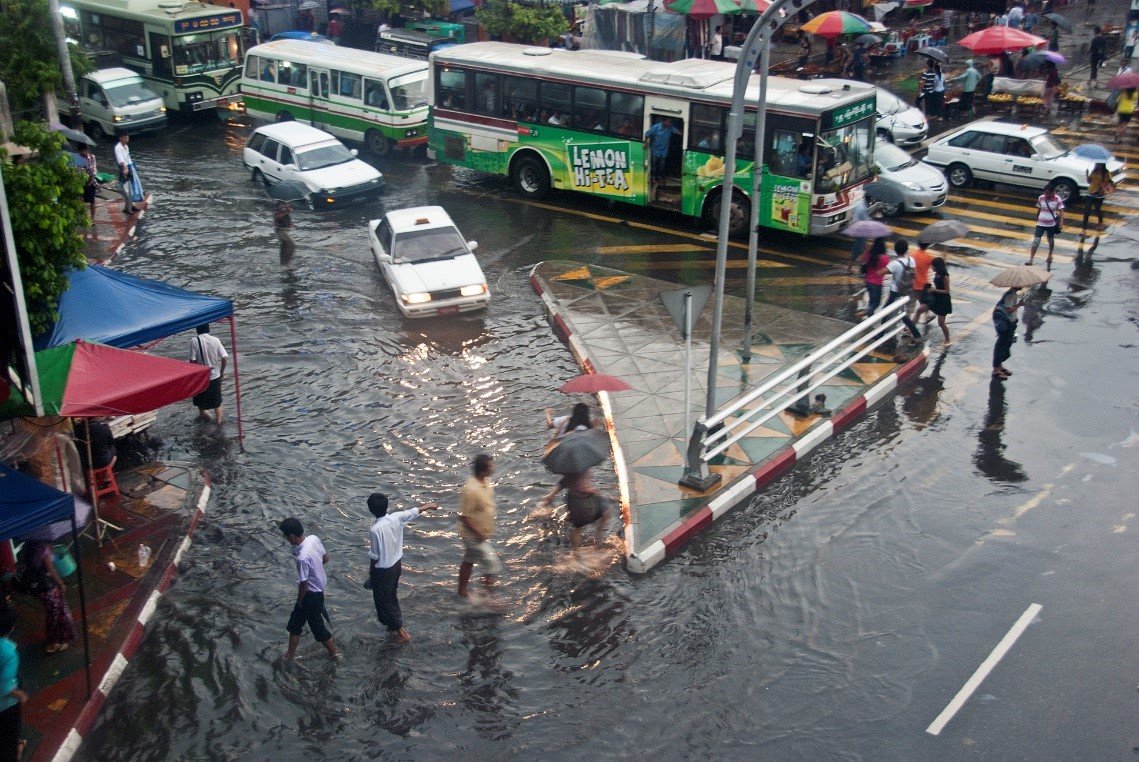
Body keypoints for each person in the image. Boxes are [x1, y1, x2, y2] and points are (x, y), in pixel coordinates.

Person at [365, 493, 439, 643]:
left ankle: (401, 632)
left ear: (370, 510)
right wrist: (429, 506)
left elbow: (375, 556)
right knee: (392, 595)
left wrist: (372, 574)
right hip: (396, 566)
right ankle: (394, 626)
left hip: (383, 570)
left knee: (384, 601)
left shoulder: (375, 530)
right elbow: (414, 511)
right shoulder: (396, 517)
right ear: (386, 506)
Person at [280, 517, 340, 660]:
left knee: (318, 629)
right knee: (295, 624)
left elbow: (303, 584)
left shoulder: (302, 558)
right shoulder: (314, 539)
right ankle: (290, 655)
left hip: (310, 596)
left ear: (292, 536)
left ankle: (335, 654)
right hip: (317, 592)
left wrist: (299, 601)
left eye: (286, 536)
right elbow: (325, 559)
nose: (286, 539)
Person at [457, 454, 501, 600]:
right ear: (482, 471)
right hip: (473, 536)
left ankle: (462, 591)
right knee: (492, 564)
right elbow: (464, 516)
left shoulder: (486, 481)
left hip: (481, 534)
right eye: (490, 466)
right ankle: (486, 598)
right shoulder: (470, 489)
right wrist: (479, 533)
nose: (493, 468)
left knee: (469, 559)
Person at [20, 540, 76, 654]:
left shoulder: (27, 547)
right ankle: (54, 644)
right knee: (56, 615)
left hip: (37, 588)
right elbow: (52, 570)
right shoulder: (44, 550)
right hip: (48, 588)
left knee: (51, 614)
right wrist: (61, 583)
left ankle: (54, 641)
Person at [541, 461, 611, 552]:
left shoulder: (570, 471)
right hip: (581, 503)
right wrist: (592, 490)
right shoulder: (580, 470)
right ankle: (592, 541)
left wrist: (551, 495)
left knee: (580, 525)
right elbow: (582, 487)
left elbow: (562, 484)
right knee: (581, 525)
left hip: (574, 501)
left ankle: (581, 549)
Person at [0, 604, 27, 762]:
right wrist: (19, 693)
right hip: (6, 705)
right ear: (10, 628)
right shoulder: (9, 653)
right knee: (9, 734)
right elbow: (4, 685)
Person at [189, 324, 229, 424]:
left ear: (197, 330)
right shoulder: (216, 340)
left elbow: (192, 360)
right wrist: (221, 372)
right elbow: (224, 357)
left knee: (200, 402)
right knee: (217, 403)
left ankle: (205, 419)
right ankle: (218, 424)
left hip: (201, 377)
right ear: (208, 329)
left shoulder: (194, 341)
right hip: (215, 375)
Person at [885, 239, 921, 341]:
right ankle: (916, 334)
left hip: (895, 291)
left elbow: (881, 272)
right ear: (906, 250)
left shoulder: (894, 264)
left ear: (895, 250)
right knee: (902, 313)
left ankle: (882, 334)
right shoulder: (911, 260)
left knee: (886, 312)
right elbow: (914, 274)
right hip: (907, 290)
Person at [1027, 183, 1063, 269]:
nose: (1047, 195)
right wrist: (1037, 219)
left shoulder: (1057, 199)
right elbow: (1038, 209)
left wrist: (1061, 223)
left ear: (1053, 192)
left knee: (1050, 240)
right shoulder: (1041, 198)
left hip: (1051, 224)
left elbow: (1061, 212)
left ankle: (1050, 253)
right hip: (1040, 223)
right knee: (1036, 241)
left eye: (1048, 193)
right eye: (1045, 193)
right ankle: (1031, 259)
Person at [992, 287, 1022, 379]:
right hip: (1004, 322)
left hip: (1008, 321)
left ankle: (999, 366)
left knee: (1005, 344)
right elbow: (1008, 309)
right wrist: (1019, 305)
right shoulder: (1010, 295)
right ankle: (996, 369)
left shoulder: (1013, 294)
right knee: (1002, 345)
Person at [922, 257, 952, 342]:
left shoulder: (944, 276)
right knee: (921, 309)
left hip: (943, 301)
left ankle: (947, 339)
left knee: (941, 323)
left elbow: (947, 291)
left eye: (933, 266)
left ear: (937, 266)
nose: (932, 268)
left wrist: (934, 290)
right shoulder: (937, 273)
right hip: (936, 298)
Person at [1081, 162, 1113, 240]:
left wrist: (1103, 186)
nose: (1098, 165)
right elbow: (1089, 182)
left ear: (1102, 164)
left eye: (1099, 164)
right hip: (1090, 193)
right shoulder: (1093, 171)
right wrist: (1087, 174)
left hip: (1099, 195)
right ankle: (1083, 230)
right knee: (1086, 211)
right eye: (1097, 164)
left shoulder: (1106, 172)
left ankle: (1100, 222)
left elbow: (1108, 182)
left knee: (1097, 210)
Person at [860, 237, 890, 315]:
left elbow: (862, 260)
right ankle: (866, 312)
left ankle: (869, 318)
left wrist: (866, 250)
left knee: (872, 301)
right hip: (877, 284)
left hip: (868, 281)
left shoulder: (870, 254)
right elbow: (887, 269)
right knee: (876, 303)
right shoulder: (884, 258)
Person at [114, 134, 135, 215]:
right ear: (120, 138)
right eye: (125, 138)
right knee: (126, 188)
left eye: (127, 138)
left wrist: (132, 167)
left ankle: (129, 206)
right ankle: (128, 208)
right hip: (123, 168)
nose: (127, 139)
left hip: (128, 167)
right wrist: (125, 168)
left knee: (130, 187)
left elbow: (128, 158)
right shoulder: (118, 148)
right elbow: (121, 160)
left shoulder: (126, 147)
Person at [78, 144, 98, 225]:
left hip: (90, 180)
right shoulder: (77, 159)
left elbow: (94, 170)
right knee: (81, 199)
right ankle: (84, 217)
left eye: (86, 150)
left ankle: (92, 218)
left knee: (92, 200)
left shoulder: (92, 157)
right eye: (82, 151)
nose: (84, 152)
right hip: (80, 181)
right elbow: (78, 170)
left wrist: (91, 180)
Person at [274, 199, 295, 264]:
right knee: (292, 244)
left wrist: (288, 209)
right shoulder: (279, 204)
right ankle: (286, 263)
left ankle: (283, 262)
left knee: (284, 245)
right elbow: (277, 215)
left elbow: (288, 212)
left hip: (285, 229)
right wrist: (287, 211)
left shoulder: (284, 203)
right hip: (281, 229)